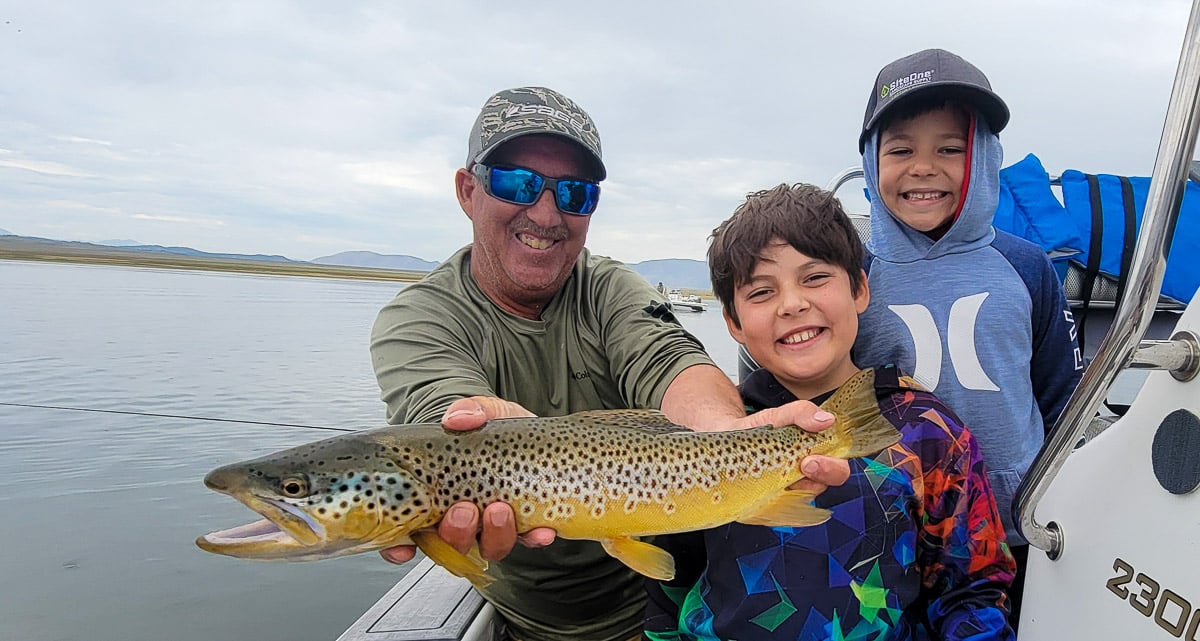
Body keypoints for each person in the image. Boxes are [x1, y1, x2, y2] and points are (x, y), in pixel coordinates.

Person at [368, 86, 851, 641]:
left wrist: (725, 431)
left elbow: (671, 361)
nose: (546, 212)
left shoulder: (610, 289)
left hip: (665, 613)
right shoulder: (418, 319)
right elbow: (437, 421)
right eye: (517, 182)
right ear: (467, 189)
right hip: (530, 624)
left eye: (575, 193)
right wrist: (481, 426)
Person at [644, 183, 1016, 640]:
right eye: (761, 292)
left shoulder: (930, 432)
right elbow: (668, 586)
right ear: (733, 324)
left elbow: (972, 589)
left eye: (815, 277)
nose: (793, 304)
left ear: (860, 289)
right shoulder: (711, 430)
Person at [851, 49, 1084, 627]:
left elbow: (1060, 396)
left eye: (951, 149)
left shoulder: (1027, 266)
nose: (923, 167)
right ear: (869, 160)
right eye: (900, 149)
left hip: (1019, 529)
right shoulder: (853, 274)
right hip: (894, 531)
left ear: (984, 160)